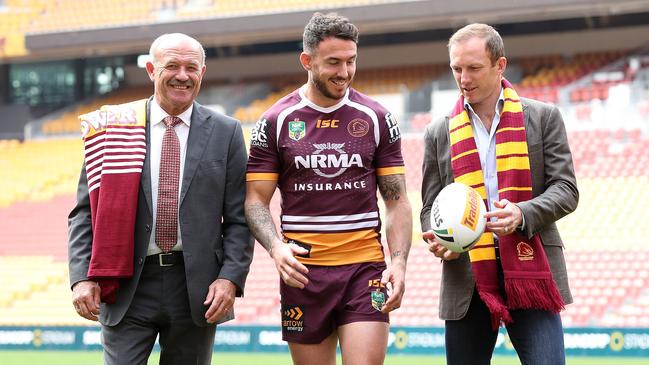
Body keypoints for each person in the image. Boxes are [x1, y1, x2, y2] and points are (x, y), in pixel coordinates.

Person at [68, 33, 253, 365]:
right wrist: (82, 276)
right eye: (172, 66)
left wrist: (230, 278)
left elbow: (239, 218)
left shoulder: (226, 132)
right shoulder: (114, 128)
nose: (182, 75)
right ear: (152, 70)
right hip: (126, 283)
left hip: (197, 288)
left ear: (202, 72)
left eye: (191, 67)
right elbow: (84, 213)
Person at [245, 12, 412, 365]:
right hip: (303, 273)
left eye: (351, 61)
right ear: (307, 61)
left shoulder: (377, 118)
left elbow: (397, 200)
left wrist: (398, 263)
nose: (345, 72)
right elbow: (256, 201)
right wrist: (276, 248)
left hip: (365, 270)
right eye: (333, 62)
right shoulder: (276, 121)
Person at [420, 23, 579, 365]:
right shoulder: (437, 132)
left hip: (531, 270)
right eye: (456, 69)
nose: (464, 78)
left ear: (500, 66)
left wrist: (522, 213)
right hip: (467, 276)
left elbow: (567, 190)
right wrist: (437, 240)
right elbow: (430, 206)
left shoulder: (543, 117)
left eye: (474, 68)